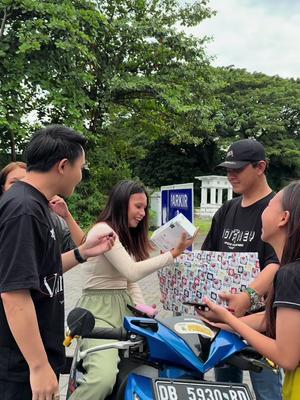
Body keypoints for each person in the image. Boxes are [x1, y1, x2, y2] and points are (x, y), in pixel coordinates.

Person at [0, 125, 116, 400]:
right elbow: (14, 292)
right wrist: (38, 366)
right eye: (81, 167)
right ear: (63, 165)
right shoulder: (24, 210)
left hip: (31, 360)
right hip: (19, 367)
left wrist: (83, 252)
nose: (80, 176)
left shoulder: (37, 206)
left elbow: (41, 271)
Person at [70, 180, 196, 400]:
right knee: (103, 378)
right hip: (99, 312)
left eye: (145, 208)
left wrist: (140, 308)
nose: (142, 213)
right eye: (138, 206)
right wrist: (172, 255)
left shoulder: (125, 234)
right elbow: (131, 271)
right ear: (121, 203)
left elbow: (129, 282)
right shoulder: (103, 230)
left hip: (124, 308)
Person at [199, 180, 300, 400]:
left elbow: (287, 356)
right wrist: (219, 324)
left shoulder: (290, 274)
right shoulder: (293, 269)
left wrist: (230, 319)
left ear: (284, 218)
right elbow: (271, 318)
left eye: (270, 205)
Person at [201, 138, 282, 399]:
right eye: (228, 169)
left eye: (238, 169)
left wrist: (247, 298)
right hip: (224, 320)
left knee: (268, 390)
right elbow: (208, 258)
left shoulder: (276, 209)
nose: (231, 175)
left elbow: (278, 262)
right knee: (226, 389)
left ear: (260, 167)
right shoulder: (227, 210)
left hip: (263, 322)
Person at [0, 161, 85, 252]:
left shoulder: (51, 217)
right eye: (14, 182)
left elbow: (83, 246)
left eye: (25, 181)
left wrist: (67, 215)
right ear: (3, 189)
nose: (21, 187)